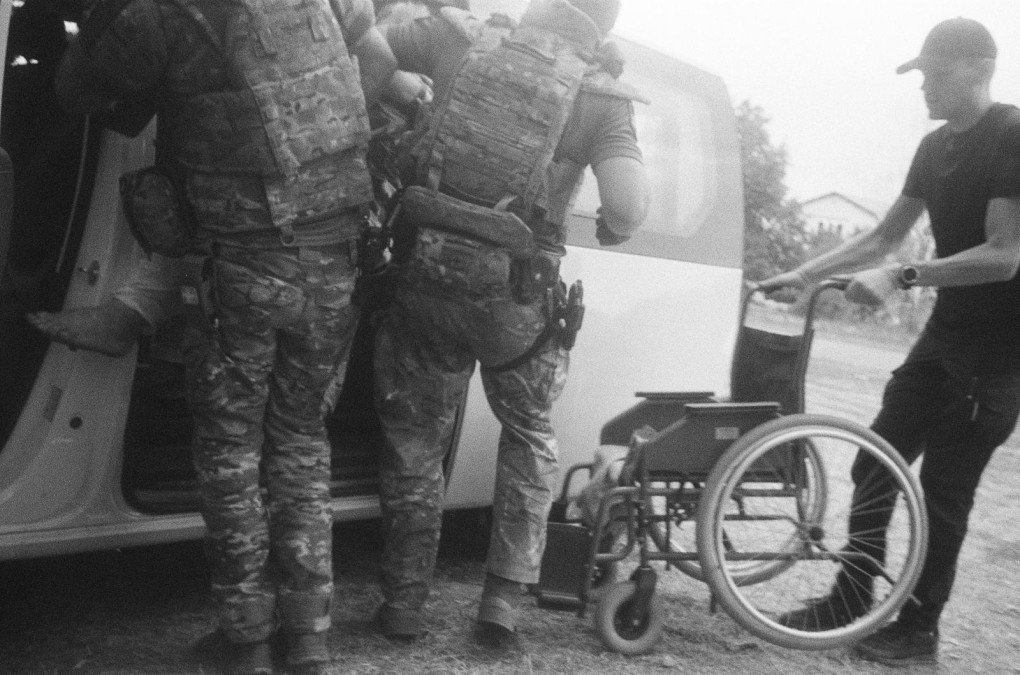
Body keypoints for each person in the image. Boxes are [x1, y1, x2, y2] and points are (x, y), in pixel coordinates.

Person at [53, 1, 397, 673]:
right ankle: (308, 638)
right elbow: (380, 60)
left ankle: (246, 641)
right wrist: (306, 147)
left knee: (231, 448)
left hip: (239, 264)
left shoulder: (158, 12)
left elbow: (73, 91)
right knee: (301, 439)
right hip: (333, 257)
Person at [371, 0, 650, 649]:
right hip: (516, 301)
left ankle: (403, 603)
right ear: (604, 25)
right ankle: (500, 605)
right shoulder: (599, 95)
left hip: (425, 278)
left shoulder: (460, 38)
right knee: (527, 435)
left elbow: (373, 44)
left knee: (415, 440)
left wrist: (404, 93)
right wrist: (614, 224)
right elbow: (628, 207)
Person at [758, 17, 1020, 667]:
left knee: (943, 489)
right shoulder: (934, 150)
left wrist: (905, 278)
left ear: (980, 68)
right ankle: (851, 598)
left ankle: (917, 632)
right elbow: (882, 237)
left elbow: (1005, 254)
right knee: (875, 459)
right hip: (944, 337)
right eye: (920, 71)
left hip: (997, 355)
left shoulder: (1012, 136)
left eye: (935, 71)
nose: (924, 83)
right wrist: (806, 272)